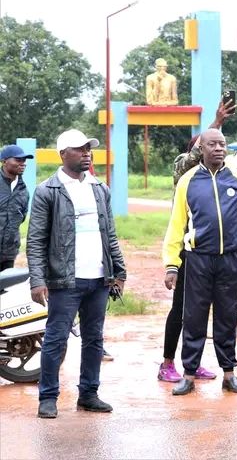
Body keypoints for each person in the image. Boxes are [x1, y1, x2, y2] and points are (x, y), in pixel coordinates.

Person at [27, 129, 126, 419]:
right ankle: (48, 397)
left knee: (94, 339)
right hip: (64, 280)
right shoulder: (48, 190)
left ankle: (89, 394)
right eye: (79, 149)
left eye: (88, 148)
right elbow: (35, 239)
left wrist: (118, 271)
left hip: (98, 279)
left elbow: (110, 234)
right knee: (56, 339)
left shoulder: (99, 188)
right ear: (63, 154)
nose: (86, 153)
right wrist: (37, 279)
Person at [162, 128, 237, 396]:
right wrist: (172, 264)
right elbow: (176, 225)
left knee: (227, 318)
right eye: (212, 144)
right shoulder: (188, 181)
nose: (218, 148)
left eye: (222, 144)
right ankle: (189, 375)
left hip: (230, 259)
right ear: (202, 148)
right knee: (193, 318)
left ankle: (229, 374)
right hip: (198, 260)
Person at [158, 98, 233, 383]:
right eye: (206, 145)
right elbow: (190, 159)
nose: (215, 149)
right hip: (187, 252)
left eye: (219, 144)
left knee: (206, 311)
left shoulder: (219, 177)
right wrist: (216, 123)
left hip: (214, 253)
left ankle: (194, 364)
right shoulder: (184, 171)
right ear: (197, 150)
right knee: (181, 309)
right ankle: (167, 363)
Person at [0, 145, 33, 271]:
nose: (23, 163)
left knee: (3, 289)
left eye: (24, 161)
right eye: (18, 160)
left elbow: (21, 217)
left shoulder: (23, 191)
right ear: (4, 161)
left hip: (9, 254)